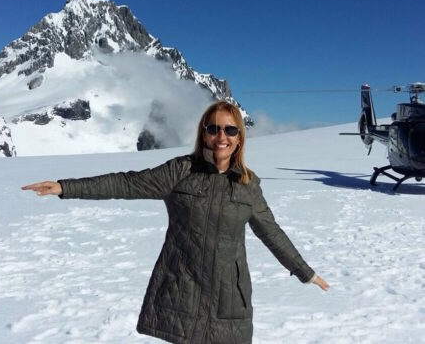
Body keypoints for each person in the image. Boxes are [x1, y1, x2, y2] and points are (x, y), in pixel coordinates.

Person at [22, 101, 329, 343]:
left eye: (230, 130)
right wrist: (66, 187)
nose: (222, 137)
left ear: (240, 138)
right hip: (185, 291)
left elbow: (270, 232)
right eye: (214, 129)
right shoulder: (180, 172)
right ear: (203, 133)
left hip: (229, 300)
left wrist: (305, 272)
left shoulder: (248, 185)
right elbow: (128, 184)